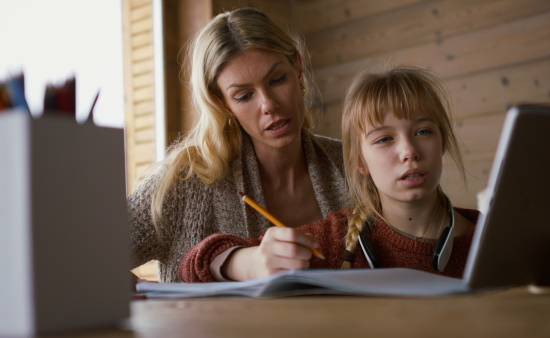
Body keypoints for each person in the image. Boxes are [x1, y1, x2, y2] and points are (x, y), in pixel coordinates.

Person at [178, 65, 480, 283]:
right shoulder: (335, 241)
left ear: (443, 141)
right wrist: (243, 263)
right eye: (384, 139)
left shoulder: (492, 237)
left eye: (423, 131)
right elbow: (194, 264)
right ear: (359, 161)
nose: (408, 151)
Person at [128, 8, 348, 283]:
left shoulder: (352, 164)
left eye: (277, 80)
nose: (268, 104)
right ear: (223, 104)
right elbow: (79, 256)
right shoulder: (183, 184)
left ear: (298, 69)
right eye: (244, 96)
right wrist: (152, 305)